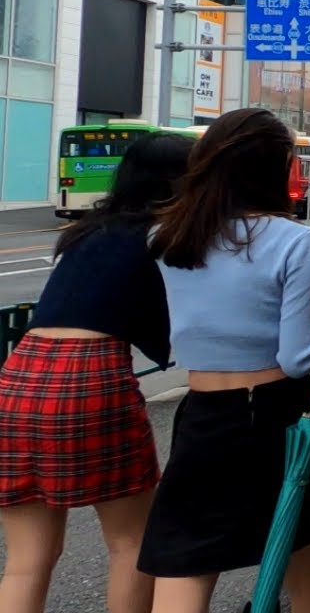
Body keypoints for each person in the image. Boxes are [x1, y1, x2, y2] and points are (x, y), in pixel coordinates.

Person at [140, 108, 310, 612]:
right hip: (278, 416)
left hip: (202, 415)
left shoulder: (167, 238)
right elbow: (298, 356)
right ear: (277, 167)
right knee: (305, 571)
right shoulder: (296, 241)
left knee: (186, 567)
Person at [0, 134, 193, 613]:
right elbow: (177, 330)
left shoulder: (84, 231)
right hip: (90, 375)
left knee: (28, 557)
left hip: (19, 375)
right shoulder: (162, 236)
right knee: (131, 542)